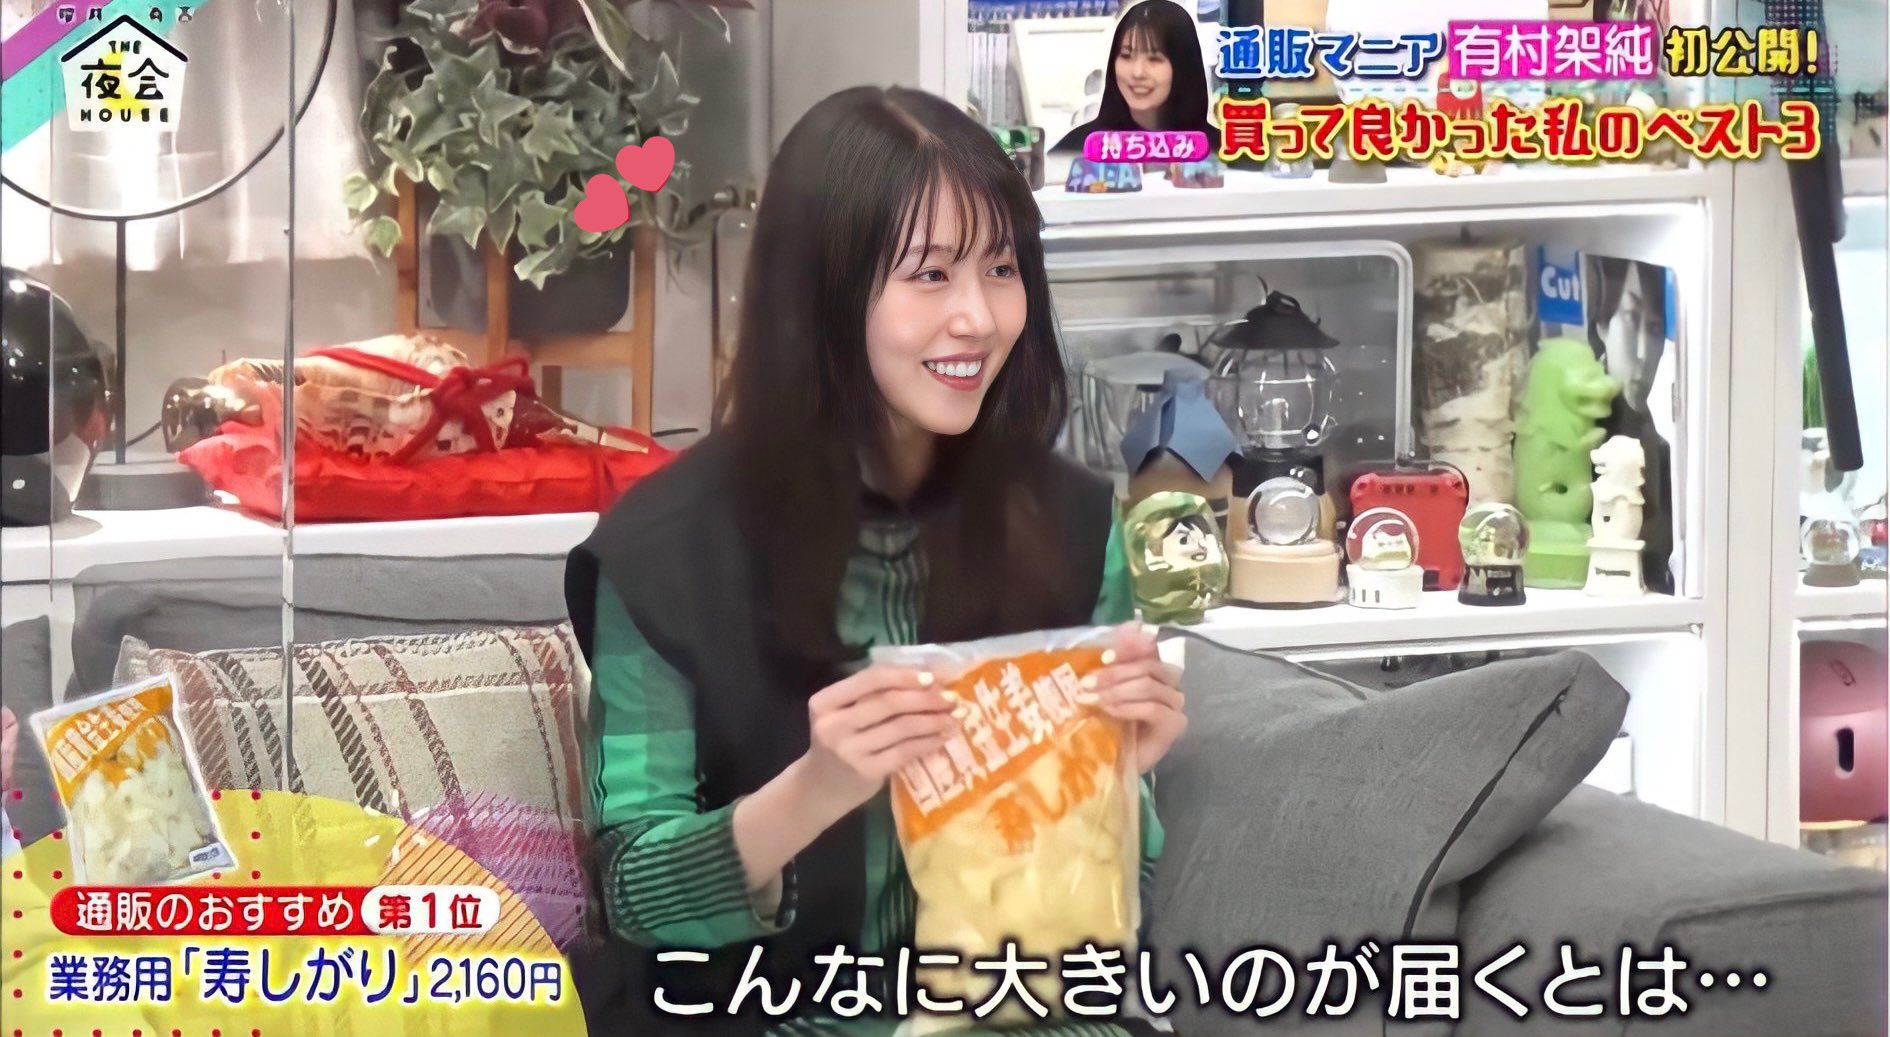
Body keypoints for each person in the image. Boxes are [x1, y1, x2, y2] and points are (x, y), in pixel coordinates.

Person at [563, 85, 1188, 1036]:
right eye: (931, 274)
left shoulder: (1068, 519)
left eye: (1001, 268)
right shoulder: (664, 553)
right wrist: (814, 789)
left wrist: (1115, 777)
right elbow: (633, 896)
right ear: (822, 294)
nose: (978, 317)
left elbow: (1100, 912)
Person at [1052, 0, 1220, 155]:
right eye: (1126, 56)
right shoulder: (1077, 148)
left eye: (1154, 59)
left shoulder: (1221, 151)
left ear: (1183, 66)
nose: (1137, 72)